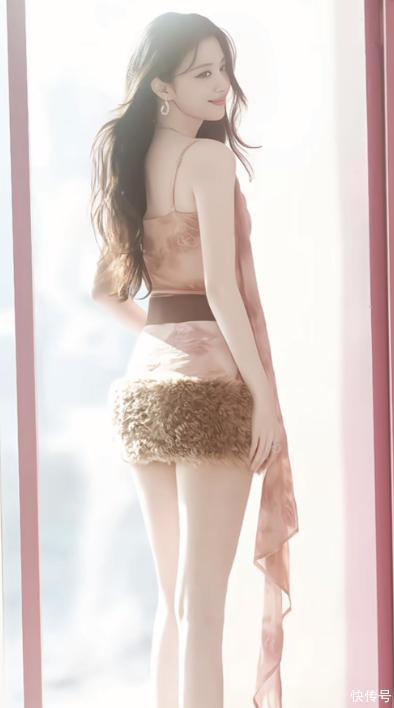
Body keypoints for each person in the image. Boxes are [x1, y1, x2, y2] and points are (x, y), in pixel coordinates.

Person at [89, 12, 299, 708]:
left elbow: (105, 291)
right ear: (162, 87)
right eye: (202, 72)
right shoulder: (206, 160)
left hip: (145, 390)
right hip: (209, 390)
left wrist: (167, 338)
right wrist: (262, 395)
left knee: (174, 602)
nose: (220, 85)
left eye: (223, 69)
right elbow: (220, 291)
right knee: (202, 608)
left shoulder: (131, 164)